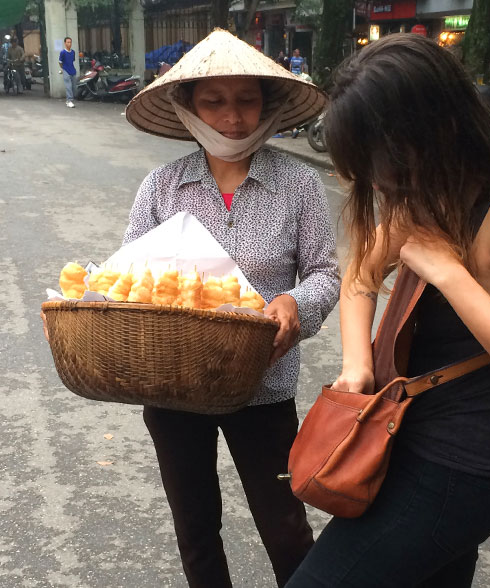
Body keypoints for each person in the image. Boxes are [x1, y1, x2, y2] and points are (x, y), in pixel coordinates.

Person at [286, 34, 490, 586]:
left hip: (459, 468)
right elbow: (360, 275)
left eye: (382, 161)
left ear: (433, 131)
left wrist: (448, 272)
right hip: (404, 440)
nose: (377, 181)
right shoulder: (434, 190)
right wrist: (357, 365)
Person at [122, 29, 340, 587]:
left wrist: (296, 301)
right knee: (195, 526)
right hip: (174, 388)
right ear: (188, 107)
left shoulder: (299, 184)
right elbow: (127, 281)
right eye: (214, 102)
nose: (233, 118)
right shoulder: (161, 187)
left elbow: (324, 273)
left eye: (246, 100)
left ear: (267, 106)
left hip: (262, 385)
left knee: (285, 525)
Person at [58, 37, 76, 108]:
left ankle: (69, 100)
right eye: (68, 42)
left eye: (70, 42)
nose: (69, 44)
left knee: (74, 87)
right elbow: (60, 62)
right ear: (65, 43)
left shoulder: (73, 52)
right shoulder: (63, 52)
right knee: (68, 86)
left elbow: (72, 61)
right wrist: (63, 68)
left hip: (73, 70)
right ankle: (69, 101)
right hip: (66, 70)